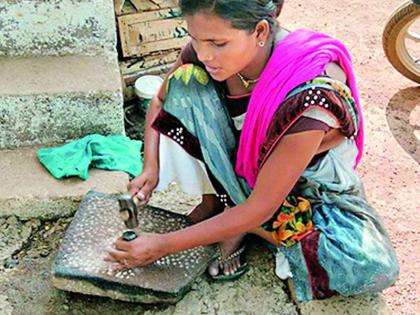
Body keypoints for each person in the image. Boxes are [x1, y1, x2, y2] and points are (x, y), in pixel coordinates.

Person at [106, 0, 399, 302]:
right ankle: (218, 204)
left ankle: (241, 220)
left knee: (367, 266)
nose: (204, 53)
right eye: (195, 38)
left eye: (218, 43)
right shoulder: (206, 55)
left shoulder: (310, 96)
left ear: (260, 31)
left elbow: (261, 206)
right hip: (247, 168)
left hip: (307, 188)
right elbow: (160, 100)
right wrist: (150, 168)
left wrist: (162, 245)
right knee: (186, 83)